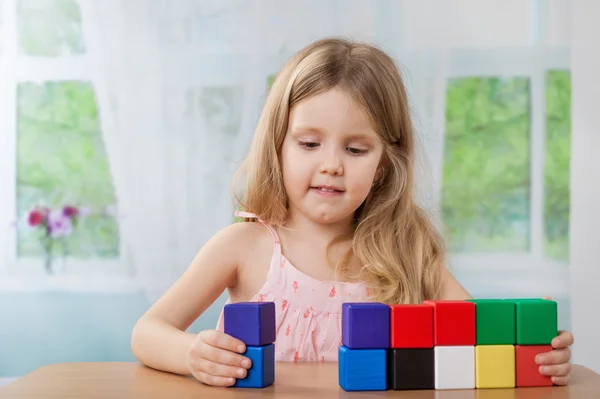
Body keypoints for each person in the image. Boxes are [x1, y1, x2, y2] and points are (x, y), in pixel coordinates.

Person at [130, 37, 574, 387]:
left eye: (356, 148)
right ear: (277, 147)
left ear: (384, 163)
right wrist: (193, 354)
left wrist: (535, 352)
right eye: (308, 143)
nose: (331, 164)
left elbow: (479, 339)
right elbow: (148, 333)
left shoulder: (409, 250)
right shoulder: (242, 247)